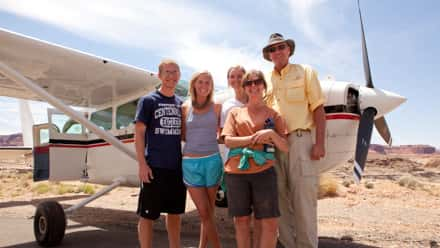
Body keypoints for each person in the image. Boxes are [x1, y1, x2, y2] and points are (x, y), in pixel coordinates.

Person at [263, 33, 326, 248]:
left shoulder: (305, 72)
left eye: (281, 47)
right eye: (273, 49)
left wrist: (319, 143)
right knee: (279, 200)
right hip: (274, 145)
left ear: (289, 50)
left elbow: (318, 108)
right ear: (269, 55)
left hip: (300, 141)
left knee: (304, 201)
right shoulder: (266, 80)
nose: (277, 51)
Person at [221, 69, 289, 248]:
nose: (253, 86)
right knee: (241, 221)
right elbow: (227, 141)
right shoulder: (235, 113)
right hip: (237, 172)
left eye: (257, 82)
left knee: (270, 223)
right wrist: (252, 139)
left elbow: (285, 146)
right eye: (248, 83)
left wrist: (271, 134)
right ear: (244, 88)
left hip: (264, 171)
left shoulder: (274, 115)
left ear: (264, 86)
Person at [134, 59, 187, 248]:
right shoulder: (148, 100)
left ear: (179, 75)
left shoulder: (182, 104)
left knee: (175, 213)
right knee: (148, 215)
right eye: (167, 72)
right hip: (154, 166)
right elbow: (139, 133)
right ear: (160, 75)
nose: (171, 76)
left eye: (175, 72)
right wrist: (142, 164)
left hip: (177, 167)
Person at [182, 71, 223, 248]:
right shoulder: (184, 108)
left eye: (208, 82)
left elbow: (221, 134)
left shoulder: (217, 108)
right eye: (201, 82)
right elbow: (184, 136)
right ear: (194, 84)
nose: (204, 85)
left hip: (212, 161)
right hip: (191, 164)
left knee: (208, 213)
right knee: (204, 212)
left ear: (211, 86)